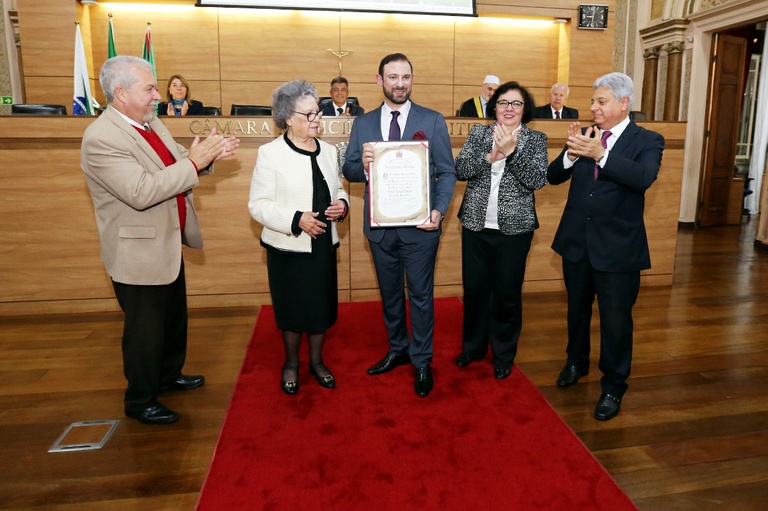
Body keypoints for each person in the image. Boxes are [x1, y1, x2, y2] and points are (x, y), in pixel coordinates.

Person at [81, 56, 240, 425]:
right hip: (137, 250)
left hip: (166, 241)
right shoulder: (101, 138)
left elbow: (179, 159)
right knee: (145, 330)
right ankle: (140, 399)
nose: (157, 95)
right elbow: (141, 190)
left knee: (171, 318)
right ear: (120, 93)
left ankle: (168, 376)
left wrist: (209, 155)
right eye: (149, 88)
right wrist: (195, 164)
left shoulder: (150, 122)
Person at [547, 72, 664, 421]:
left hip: (618, 250)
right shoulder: (585, 134)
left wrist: (600, 154)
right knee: (577, 312)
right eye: (593, 100)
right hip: (577, 244)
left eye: (601, 101)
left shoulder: (649, 140)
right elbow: (554, 176)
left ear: (623, 103)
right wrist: (571, 154)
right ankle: (575, 363)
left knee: (616, 322)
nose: (593, 107)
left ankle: (613, 385)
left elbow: (643, 178)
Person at [342, 53, 456, 398]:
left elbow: (447, 171)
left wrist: (438, 210)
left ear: (412, 79)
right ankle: (398, 348)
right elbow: (348, 170)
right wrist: (361, 165)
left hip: (421, 228)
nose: (400, 84)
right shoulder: (363, 123)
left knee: (420, 296)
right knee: (390, 294)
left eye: (406, 77)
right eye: (393, 77)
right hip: (380, 229)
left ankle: (422, 359)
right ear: (380, 80)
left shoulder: (432, 120)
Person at [248, 79, 349, 396]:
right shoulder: (270, 154)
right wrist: (296, 219)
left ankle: (317, 362)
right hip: (287, 247)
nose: (317, 119)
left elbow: (338, 189)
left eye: (317, 113)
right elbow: (258, 205)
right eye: (309, 115)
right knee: (292, 310)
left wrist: (342, 205)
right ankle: (291, 364)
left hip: (322, 245)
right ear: (287, 117)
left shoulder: (330, 151)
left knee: (319, 309)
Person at [454, 81, 548, 379]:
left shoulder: (535, 139)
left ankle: (504, 354)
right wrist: (490, 157)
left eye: (516, 104)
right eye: (503, 103)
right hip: (475, 225)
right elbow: (460, 170)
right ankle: (473, 348)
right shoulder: (479, 133)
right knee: (475, 291)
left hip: (515, 230)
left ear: (525, 109)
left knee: (507, 294)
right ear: (494, 107)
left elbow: (537, 179)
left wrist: (511, 152)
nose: (509, 109)